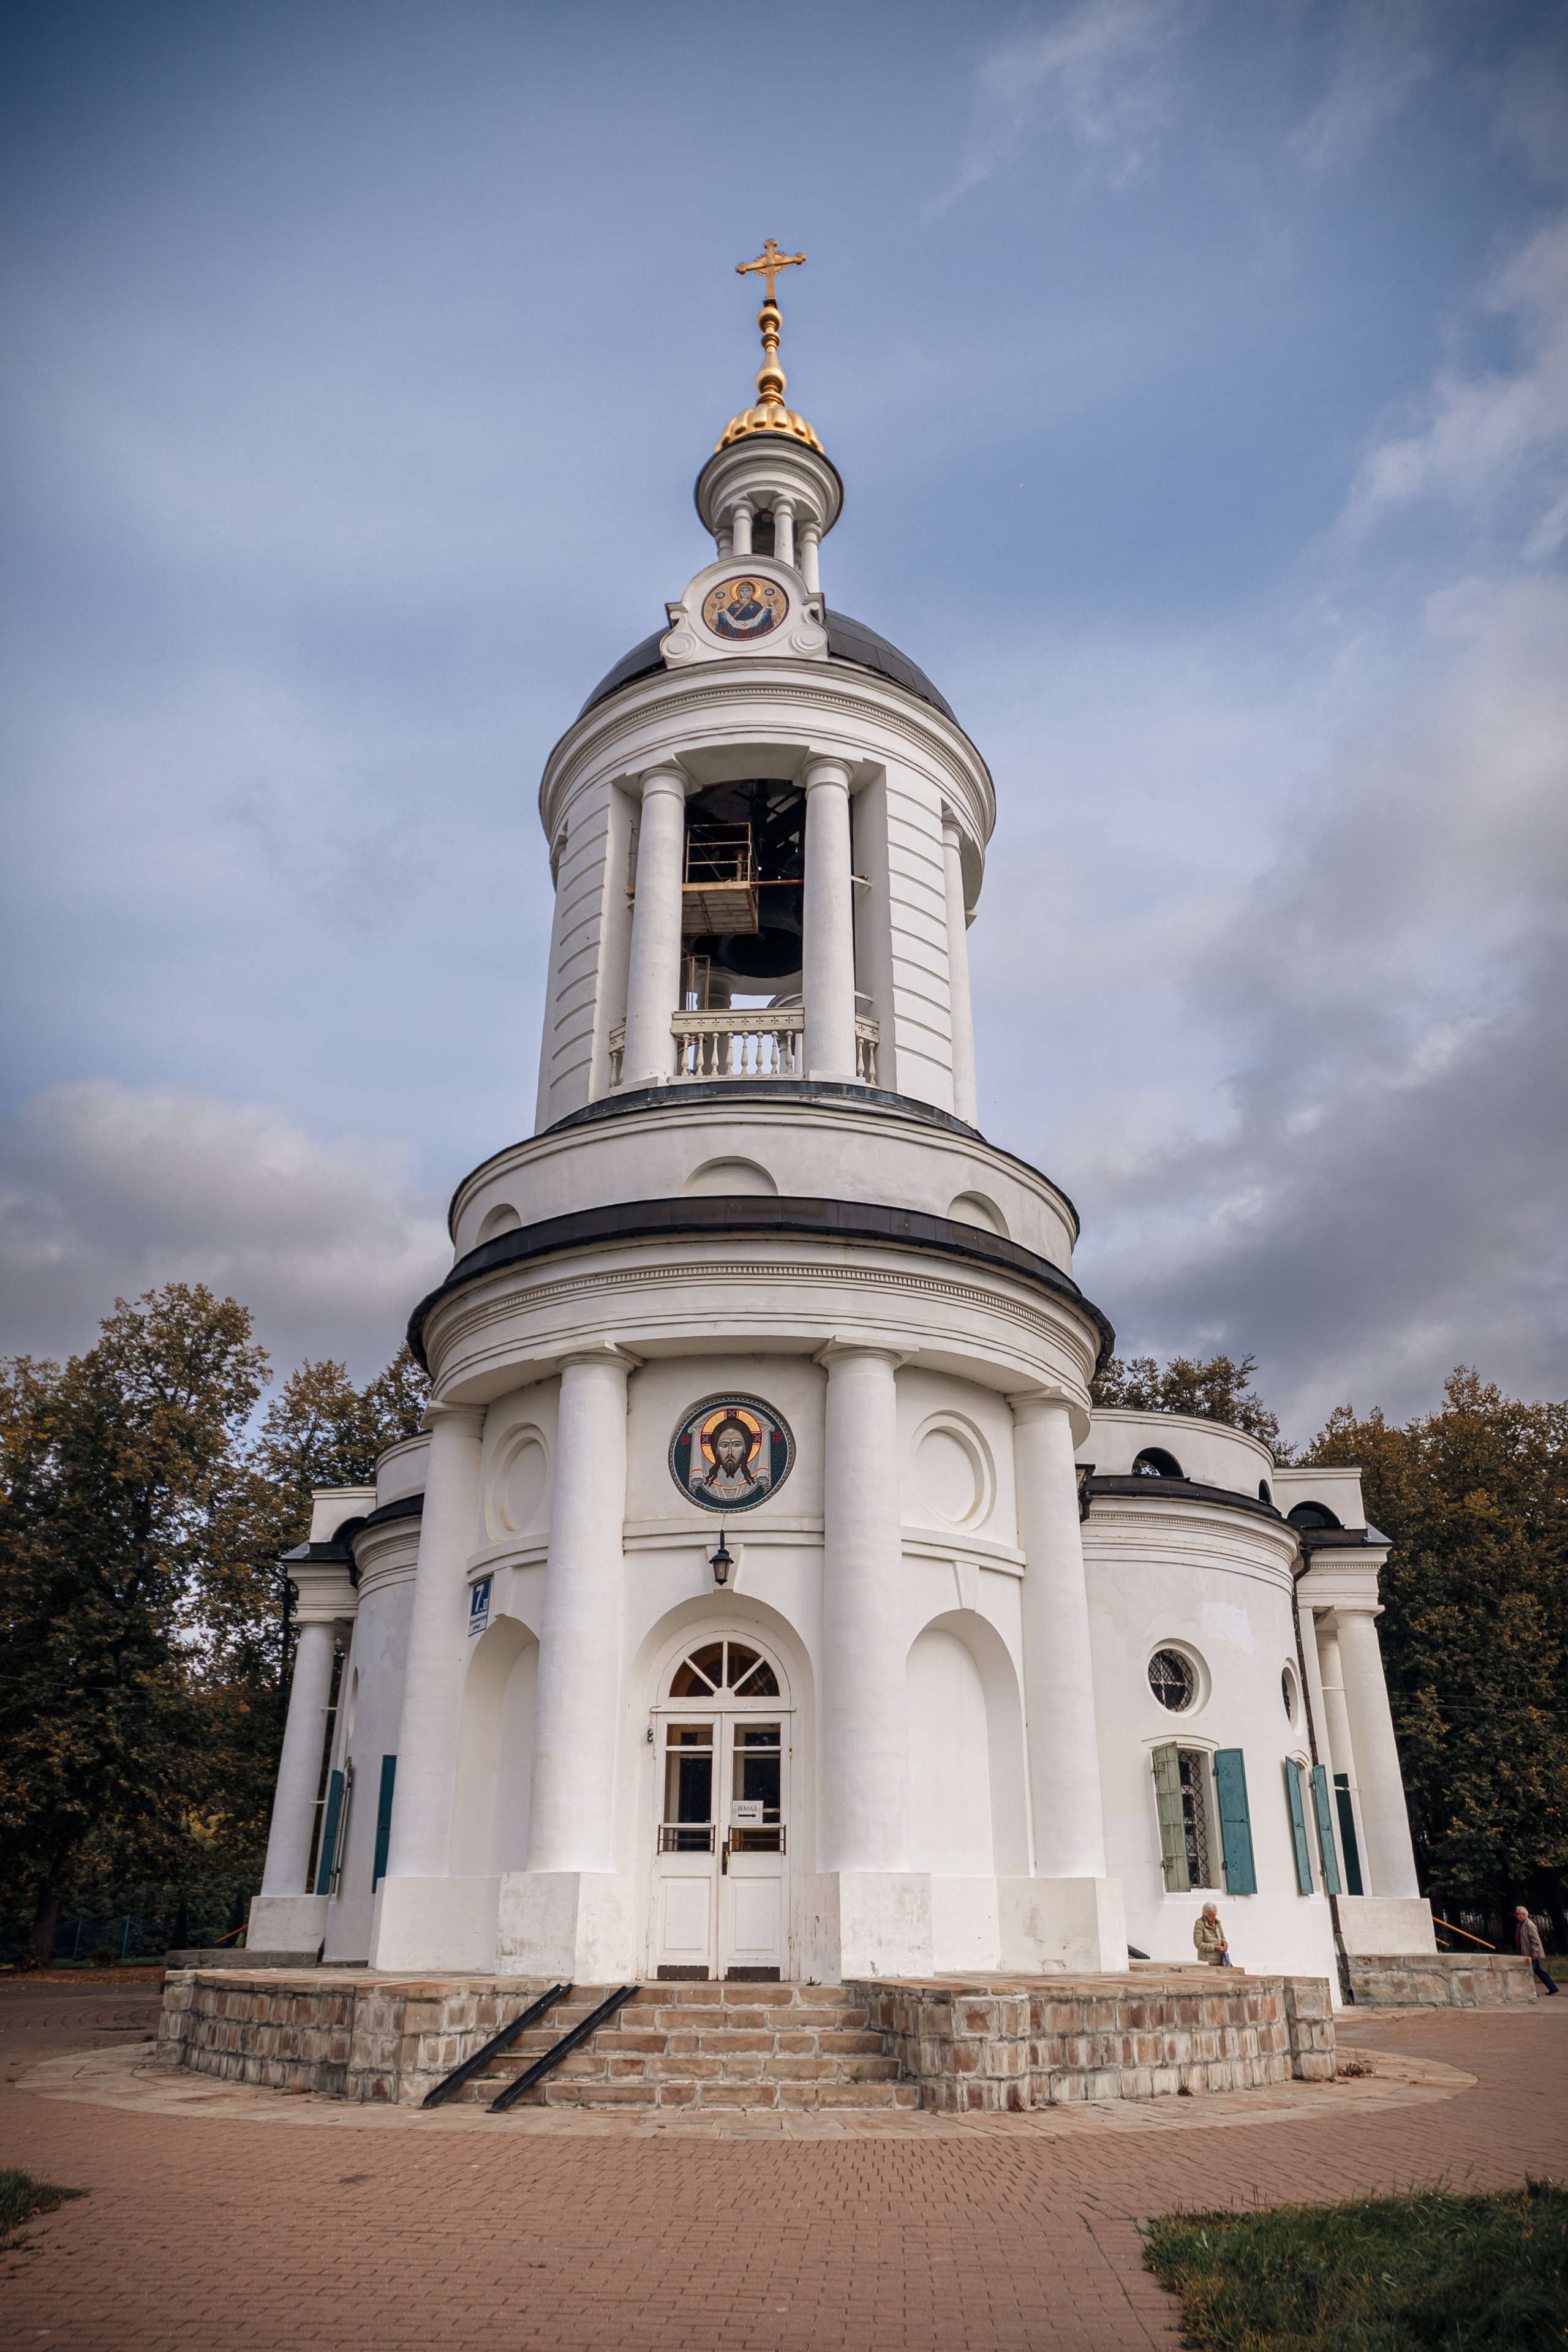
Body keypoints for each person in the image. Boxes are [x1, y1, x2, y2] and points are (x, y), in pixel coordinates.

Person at [1515, 1906, 1559, 1995]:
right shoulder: (1521, 1924)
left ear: (1524, 1914)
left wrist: (1534, 1952)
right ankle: (1553, 1988)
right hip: (1525, 1952)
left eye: (1518, 1914)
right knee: (1538, 1971)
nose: (1517, 1916)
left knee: (1528, 1972)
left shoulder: (1529, 1925)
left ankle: (1530, 1992)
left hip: (1531, 1953)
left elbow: (1535, 1940)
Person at [1194, 1903, 1231, 1967]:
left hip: (1220, 1961)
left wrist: (1224, 1943)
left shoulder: (1217, 1923)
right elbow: (1198, 1943)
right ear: (1205, 1914)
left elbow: (1222, 1937)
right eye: (1211, 1915)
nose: (1214, 1918)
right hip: (1207, 1962)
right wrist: (1214, 1948)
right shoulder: (1200, 1924)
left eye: (1215, 1914)